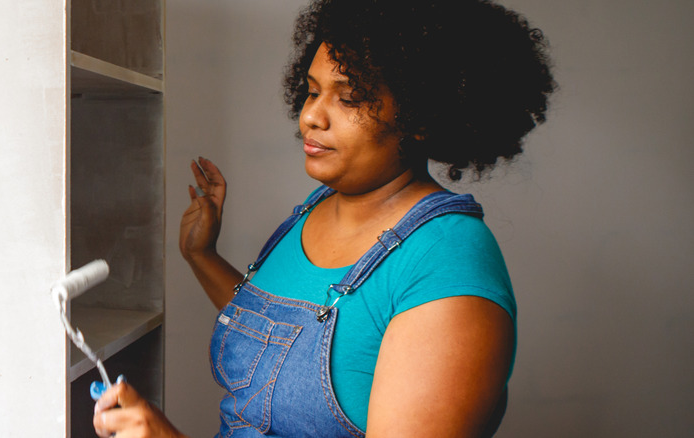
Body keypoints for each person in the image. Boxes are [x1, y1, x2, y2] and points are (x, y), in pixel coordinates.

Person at [93, 0, 555, 436]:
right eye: (312, 91)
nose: (311, 116)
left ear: (420, 114)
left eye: (349, 97)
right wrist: (200, 255)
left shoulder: (448, 259)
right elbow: (290, 335)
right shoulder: (315, 209)